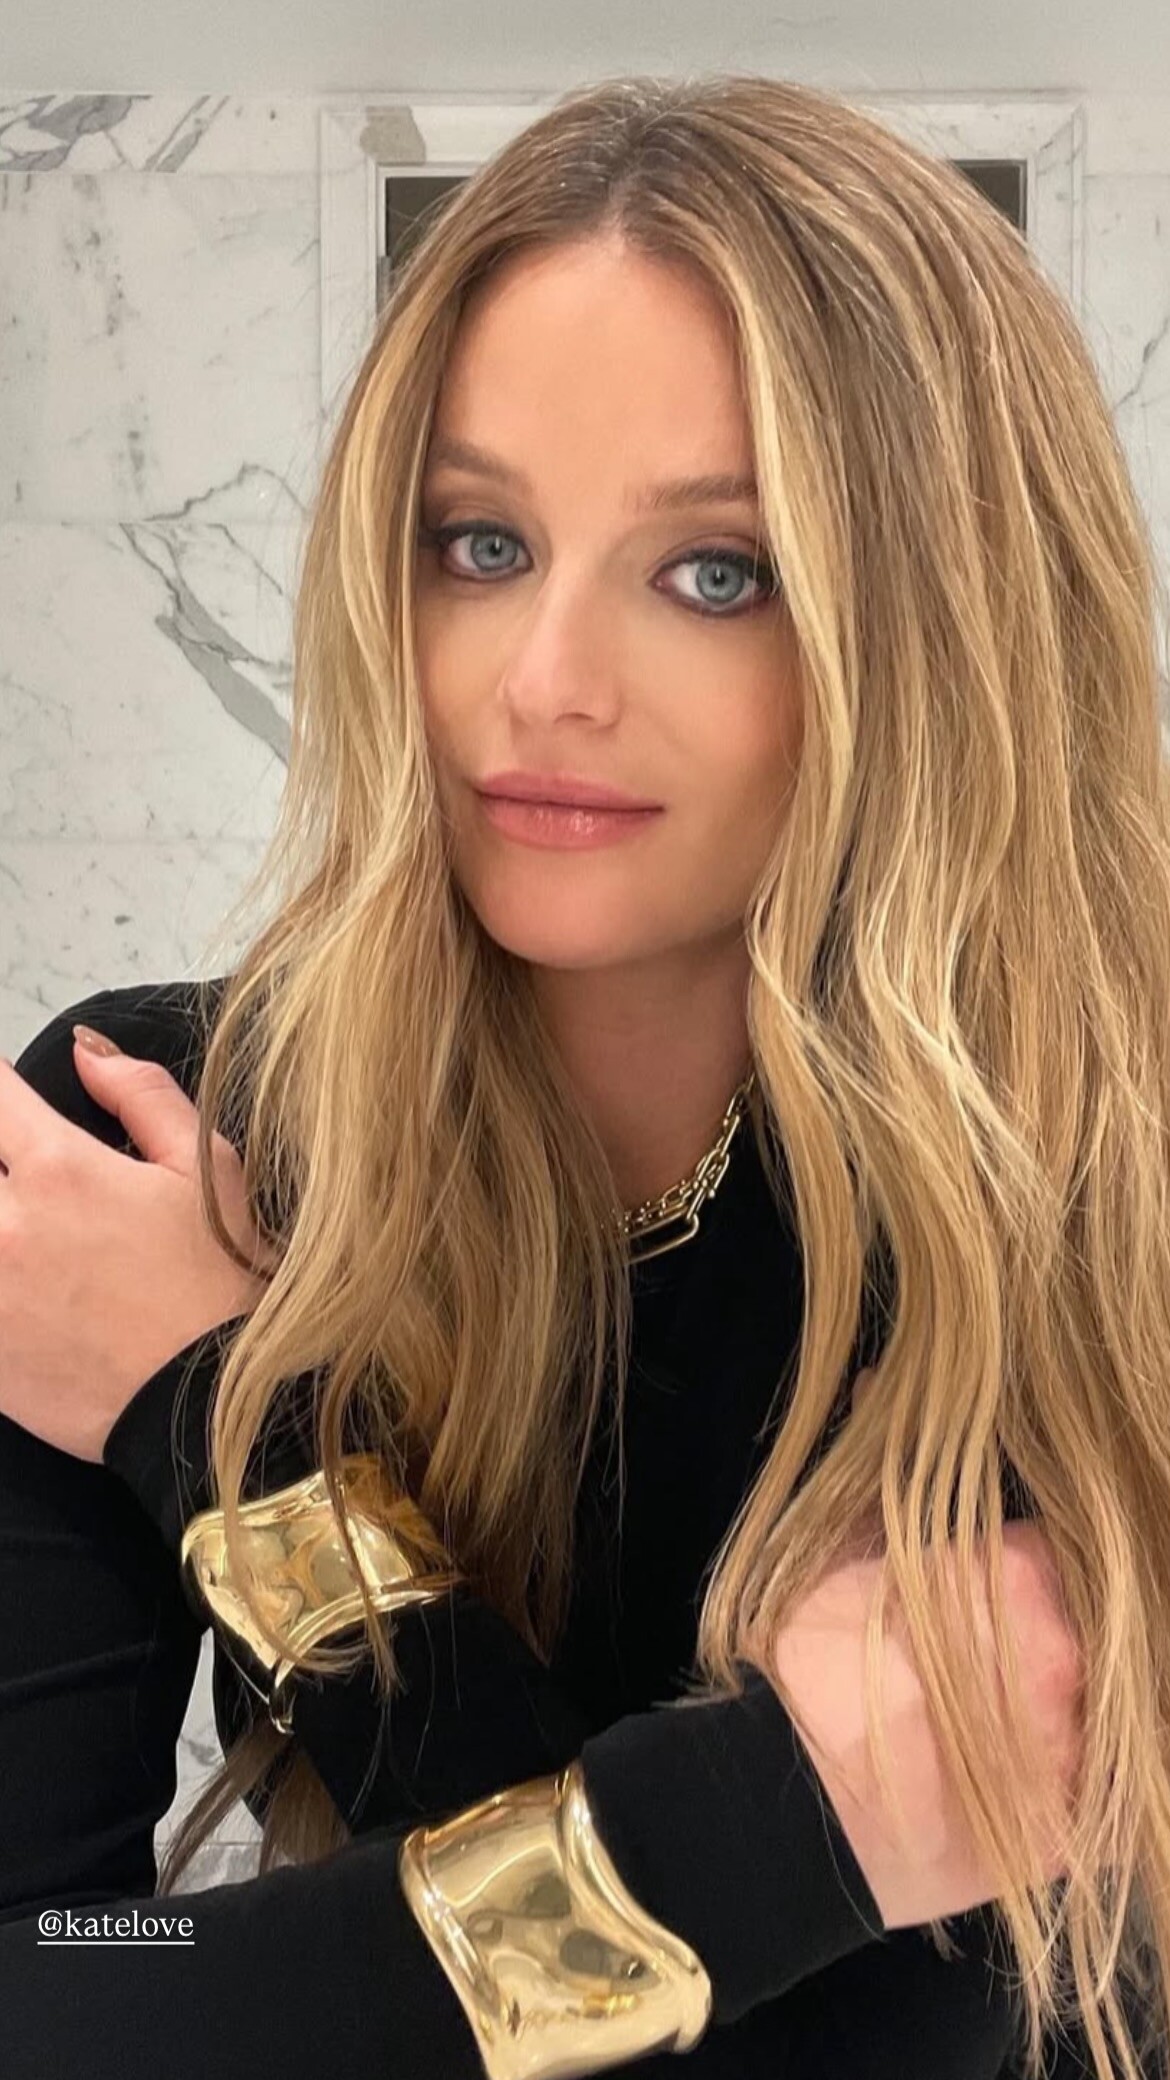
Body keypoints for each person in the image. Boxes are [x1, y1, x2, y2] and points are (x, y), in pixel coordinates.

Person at [1, 68, 1168, 2080]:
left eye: (717, 570)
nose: (540, 680)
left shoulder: (1082, 1207)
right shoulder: (149, 1135)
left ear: (945, 633)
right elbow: (48, 1979)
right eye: (479, 540)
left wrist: (240, 1445)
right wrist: (781, 1827)